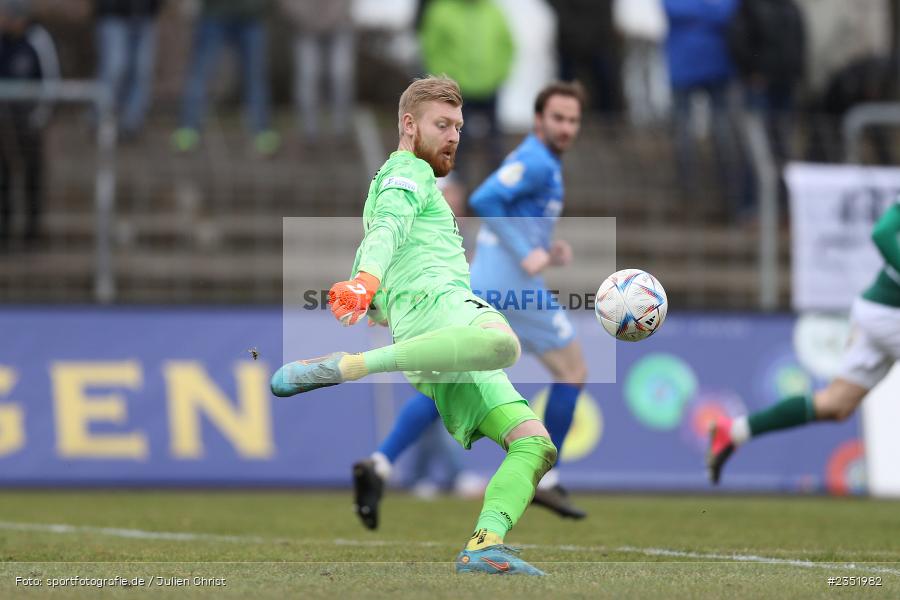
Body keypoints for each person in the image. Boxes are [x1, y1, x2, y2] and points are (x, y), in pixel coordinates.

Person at [271, 76, 555, 576]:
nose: (453, 136)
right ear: (409, 124)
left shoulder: (406, 183)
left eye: (459, 127)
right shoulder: (409, 172)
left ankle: (484, 545)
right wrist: (363, 280)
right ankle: (351, 367)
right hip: (444, 314)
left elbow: (383, 242)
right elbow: (387, 230)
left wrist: (373, 298)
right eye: (441, 125)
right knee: (503, 344)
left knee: (534, 444)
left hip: (434, 344)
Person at [352, 81, 590, 531]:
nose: (565, 127)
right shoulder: (535, 159)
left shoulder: (542, 163)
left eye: (573, 120)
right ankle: (544, 473)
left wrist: (545, 248)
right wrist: (526, 253)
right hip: (510, 282)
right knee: (574, 370)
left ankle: (382, 462)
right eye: (557, 117)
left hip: (486, 279)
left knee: (450, 373)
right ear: (538, 120)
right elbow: (485, 198)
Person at [708, 200, 900, 484]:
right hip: (889, 316)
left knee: (836, 404)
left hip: (875, 311)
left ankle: (734, 431)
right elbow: (882, 233)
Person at [418, 0, 514, 180]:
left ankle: (497, 191)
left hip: (489, 88)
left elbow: (507, 45)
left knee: (495, 144)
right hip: (456, 91)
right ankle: (455, 193)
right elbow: (431, 49)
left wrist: (499, 74)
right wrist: (445, 80)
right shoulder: (441, 10)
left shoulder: (493, 10)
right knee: (454, 145)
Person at [172, 0, 279, 156]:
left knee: (256, 77)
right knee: (200, 74)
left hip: (250, 16)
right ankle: (188, 128)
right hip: (213, 15)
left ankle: (261, 131)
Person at [0, 0, 58, 247]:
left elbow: (51, 81)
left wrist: (38, 118)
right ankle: (4, 230)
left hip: (29, 122)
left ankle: (32, 232)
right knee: (3, 177)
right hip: (3, 123)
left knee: (32, 175)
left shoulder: (38, 40)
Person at [279, 0, 355, 143]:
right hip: (305, 28)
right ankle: (309, 133)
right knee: (308, 78)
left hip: (339, 25)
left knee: (341, 76)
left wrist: (332, 18)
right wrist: (304, 19)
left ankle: (341, 131)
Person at [94, 0, 163, 139]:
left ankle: (130, 124)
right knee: (115, 68)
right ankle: (102, 118)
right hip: (113, 13)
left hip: (146, 15)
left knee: (142, 71)